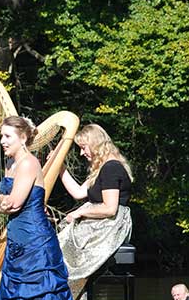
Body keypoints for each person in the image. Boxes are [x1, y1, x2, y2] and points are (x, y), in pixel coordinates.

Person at [0, 115, 75, 300]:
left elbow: (14, 203)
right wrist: (2, 201)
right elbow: (3, 202)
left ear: (23, 137)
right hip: (18, 238)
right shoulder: (11, 164)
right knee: (17, 298)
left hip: (35, 241)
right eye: (1, 136)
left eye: (7, 136)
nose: (2, 141)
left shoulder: (29, 163)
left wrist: (2, 200)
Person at [56, 124, 133, 289]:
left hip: (110, 224)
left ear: (95, 144)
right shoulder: (102, 169)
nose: (81, 153)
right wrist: (60, 169)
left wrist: (79, 213)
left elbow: (109, 208)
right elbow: (77, 192)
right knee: (59, 241)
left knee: (61, 248)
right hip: (101, 222)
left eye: (84, 148)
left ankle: (70, 295)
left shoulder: (111, 168)